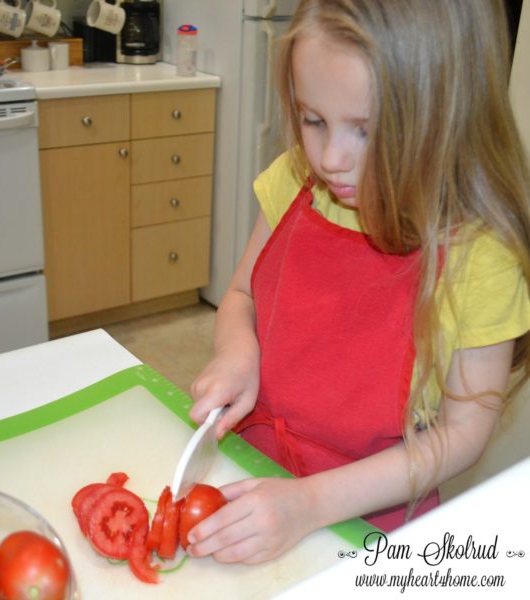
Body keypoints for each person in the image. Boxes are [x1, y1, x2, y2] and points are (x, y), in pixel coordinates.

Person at [186, 0, 530, 565]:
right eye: (312, 119)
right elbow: (242, 295)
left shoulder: (480, 255)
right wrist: (236, 351)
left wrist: (311, 504)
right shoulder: (295, 180)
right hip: (253, 471)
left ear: (448, 117)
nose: (329, 158)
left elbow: (461, 436)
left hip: (370, 525)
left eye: (367, 131)